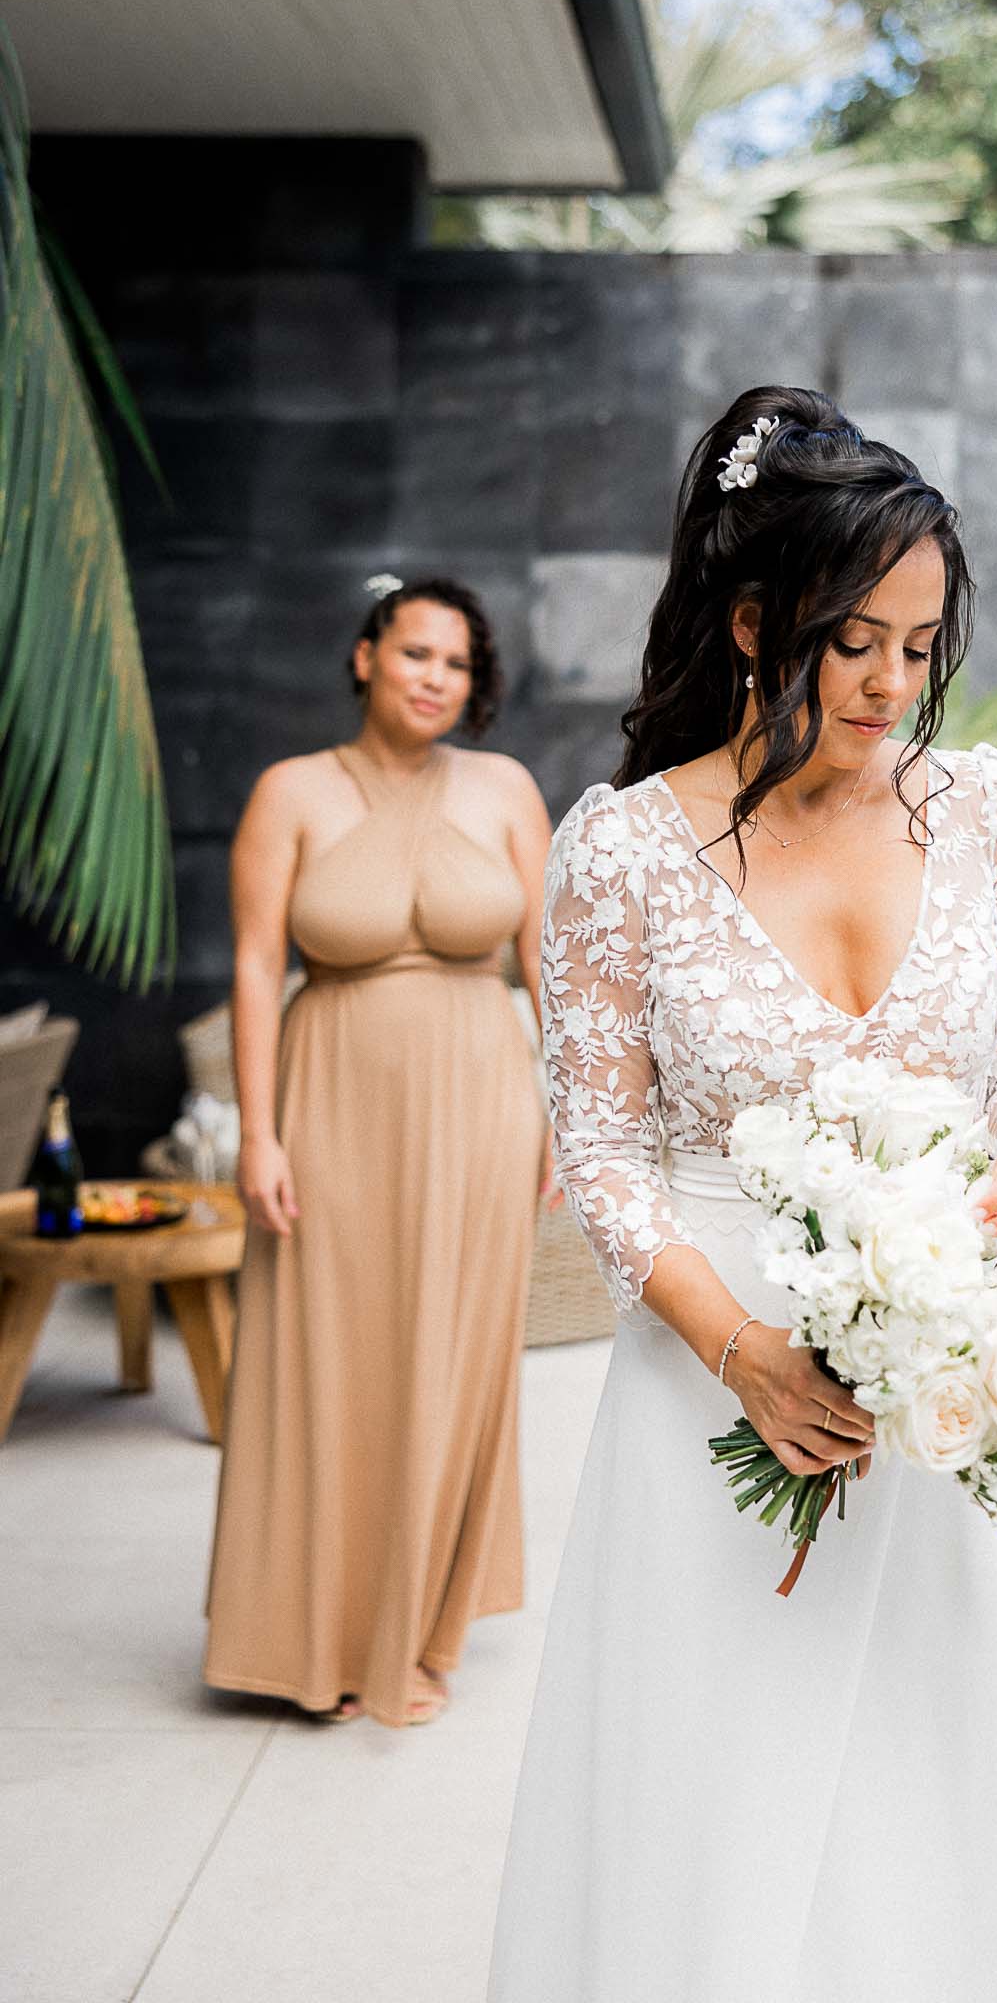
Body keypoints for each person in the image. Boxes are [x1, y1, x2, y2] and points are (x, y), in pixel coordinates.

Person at [489, 391, 997, 2003]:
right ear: (757, 619)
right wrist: (747, 1358)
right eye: (859, 643)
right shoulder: (624, 851)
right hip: (720, 1401)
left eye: (923, 647)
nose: (895, 686)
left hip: (956, 1398)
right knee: (740, 1862)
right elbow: (605, 1162)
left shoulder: (982, 810)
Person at [204, 574, 551, 1729]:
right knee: (330, 1354)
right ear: (365, 657)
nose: (431, 679)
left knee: (452, 1355)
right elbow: (258, 966)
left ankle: (419, 1625)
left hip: (483, 1100)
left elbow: (553, 970)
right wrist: (257, 1132)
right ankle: (316, 1632)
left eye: (454, 664)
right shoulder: (291, 792)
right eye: (413, 654)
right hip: (332, 1096)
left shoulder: (504, 791)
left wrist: (570, 1117)